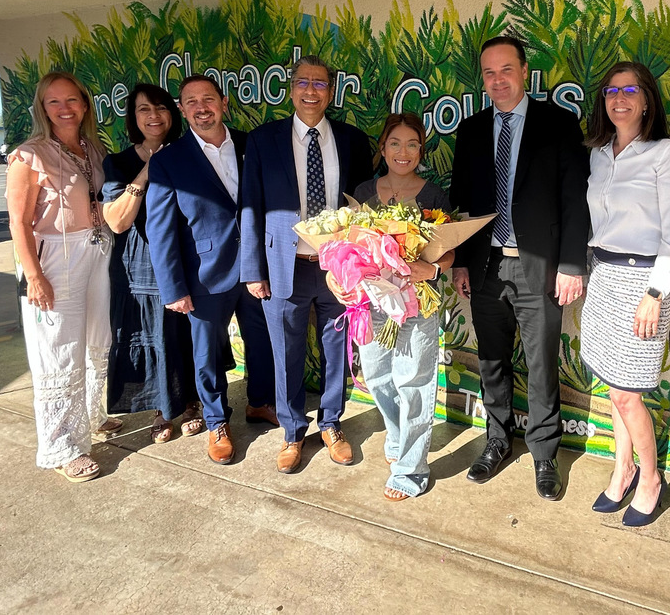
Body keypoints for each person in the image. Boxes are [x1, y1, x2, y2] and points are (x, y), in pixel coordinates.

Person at [450, 35, 591, 500]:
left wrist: (572, 264)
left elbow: (575, 200)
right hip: (486, 267)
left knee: (541, 365)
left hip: (541, 272)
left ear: (525, 71)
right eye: (489, 73)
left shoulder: (559, 124)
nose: (497, 80)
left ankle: (545, 454)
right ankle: (496, 441)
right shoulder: (471, 130)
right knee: (492, 361)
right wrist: (461, 264)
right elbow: (461, 204)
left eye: (506, 70)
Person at [240, 55, 372, 473]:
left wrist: (364, 264)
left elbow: (362, 206)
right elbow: (250, 207)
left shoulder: (353, 140)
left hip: (338, 267)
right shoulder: (264, 140)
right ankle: (293, 432)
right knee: (287, 353)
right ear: (290, 88)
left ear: (331, 91)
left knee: (337, 350)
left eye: (320, 84)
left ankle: (331, 423)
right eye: (303, 82)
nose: (311, 91)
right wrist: (252, 270)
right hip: (285, 266)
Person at [580, 62, 670, 526]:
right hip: (603, 277)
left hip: (643, 283)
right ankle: (622, 468)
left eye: (631, 90)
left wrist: (655, 292)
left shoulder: (666, 154)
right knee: (612, 386)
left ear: (647, 100)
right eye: (611, 91)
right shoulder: (598, 153)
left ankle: (650, 478)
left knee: (629, 395)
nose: (619, 98)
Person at [145, 74, 277, 465]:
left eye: (208, 99)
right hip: (203, 275)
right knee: (206, 354)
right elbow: (160, 227)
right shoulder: (169, 160)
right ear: (182, 109)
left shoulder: (251, 144)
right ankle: (217, 421)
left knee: (263, 340)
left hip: (255, 266)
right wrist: (173, 288)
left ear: (223, 102)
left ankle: (260, 403)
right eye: (191, 101)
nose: (201, 107)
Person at [5, 71, 116, 482]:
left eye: (72, 100)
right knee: (58, 347)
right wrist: (33, 275)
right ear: (42, 108)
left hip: (96, 252)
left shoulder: (93, 148)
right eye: (54, 101)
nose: (65, 108)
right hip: (55, 258)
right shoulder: (29, 155)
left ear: (85, 105)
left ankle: (92, 416)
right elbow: (18, 221)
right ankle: (62, 447)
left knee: (94, 337)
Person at [348, 112, 455, 500]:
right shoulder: (362, 192)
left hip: (417, 304)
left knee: (414, 383)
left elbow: (449, 254)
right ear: (382, 148)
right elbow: (348, 251)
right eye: (395, 143)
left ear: (421, 150)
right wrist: (344, 282)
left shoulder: (433, 196)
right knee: (377, 377)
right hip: (373, 302)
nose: (403, 152)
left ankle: (410, 472)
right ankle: (398, 435)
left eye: (412, 144)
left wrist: (430, 268)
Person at [101, 83, 203, 443]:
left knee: (185, 336)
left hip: (185, 260)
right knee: (153, 337)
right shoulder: (118, 163)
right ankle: (162, 410)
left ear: (172, 114)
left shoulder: (189, 154)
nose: (154, 116)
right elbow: (117, 221)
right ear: (133, 117)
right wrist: (149, 169)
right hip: (139, 265)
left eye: (160, 108)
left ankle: (191, 403)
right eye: (144, 109)